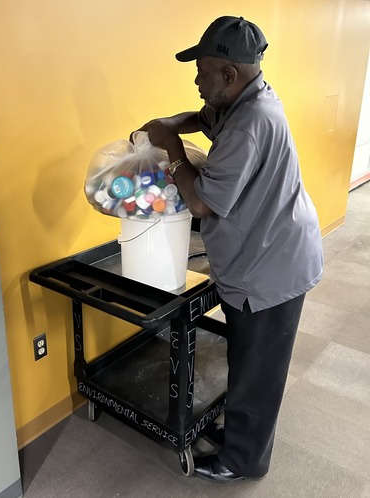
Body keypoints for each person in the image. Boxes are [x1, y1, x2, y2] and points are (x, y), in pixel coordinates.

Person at [134, 16, 324, 483]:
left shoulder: (251, 122)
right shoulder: (244, 98)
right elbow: (204, 116)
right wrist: (169, 123)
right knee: (246, 358)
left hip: (274, 265)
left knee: (259, 372)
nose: (196, 81)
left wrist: (172, 146)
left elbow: (199, 199)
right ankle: (238, 434)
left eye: (201, 71)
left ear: (228, 74)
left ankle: (243, 461)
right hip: (260, 252)